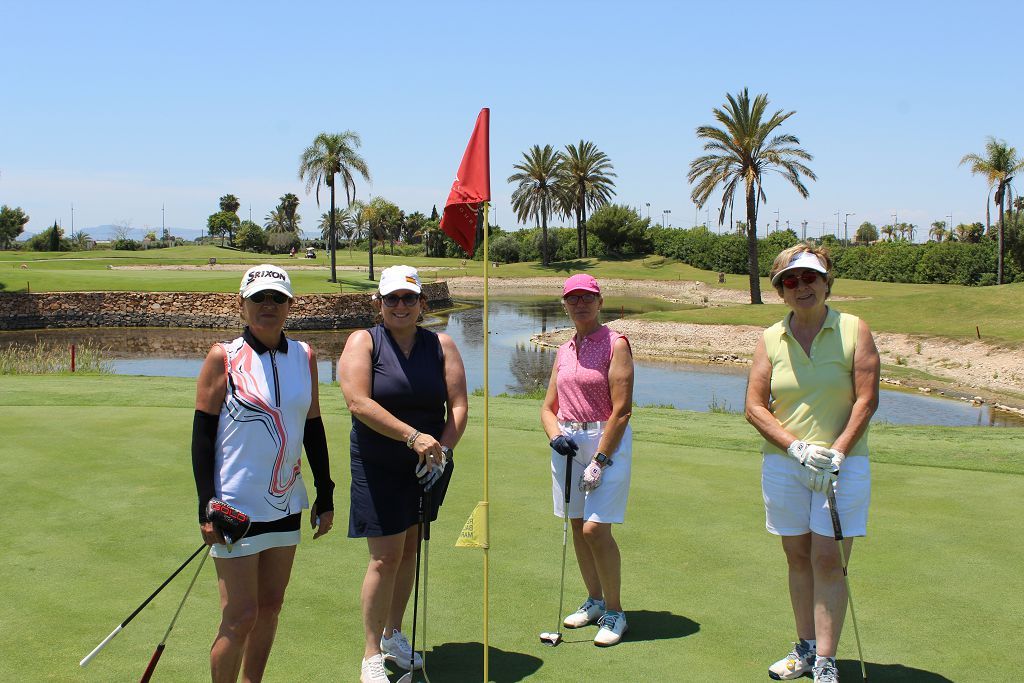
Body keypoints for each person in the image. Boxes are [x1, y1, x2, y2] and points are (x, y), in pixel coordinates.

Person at [192, 264, 335, 683]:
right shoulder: (225, 356)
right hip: (235, 507)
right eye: (258, 298)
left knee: (271, 606)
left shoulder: (304, 356)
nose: (267, 305)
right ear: (242, 304)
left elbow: (312, 426)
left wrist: (324, 493)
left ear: (290, 305)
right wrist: (206, 505)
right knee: (240, 616)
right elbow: (202, 437)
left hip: (286, 503)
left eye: (277, 298)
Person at [744, 245, 880, 683]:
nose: (801, 287)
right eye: (791, 280)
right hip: (787, 465)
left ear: (826, 283)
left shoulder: (854, 329)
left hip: (843, 464)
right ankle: (803, 648)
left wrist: (837, 451)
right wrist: (796, 448)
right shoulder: (769, 339)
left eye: (810, 278)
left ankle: (825, 660)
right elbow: (754, 407)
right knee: (797, 556)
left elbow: (866, 398)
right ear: (780, 290)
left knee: (828, 560)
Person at [338, 265, 468, 683]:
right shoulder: (364, 341)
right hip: (379, 462)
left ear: (422, 304)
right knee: (384, 557)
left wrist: (442, 450)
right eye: (391, 298)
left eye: (409, 298)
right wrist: (415, 438)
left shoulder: (441, 344)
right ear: (378, 304)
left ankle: (394, 636)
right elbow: (357, 402)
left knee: (410, 549)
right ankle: (371, 654)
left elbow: (459, 406)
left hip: (428, 465)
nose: (400, 305)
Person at [540, 273, 635, 647]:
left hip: (605, 439)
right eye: (573, 299)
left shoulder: (616, 343)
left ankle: (615, 611)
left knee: (596, 529)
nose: (580, 304)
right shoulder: (564, 350)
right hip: (568, 441)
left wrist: (600, 458)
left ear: (600, 302)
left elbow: (622, 409)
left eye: (587, 298)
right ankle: (594, 600)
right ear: (564, 304)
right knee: (577, 525)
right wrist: (555, 435)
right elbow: (548, 408)